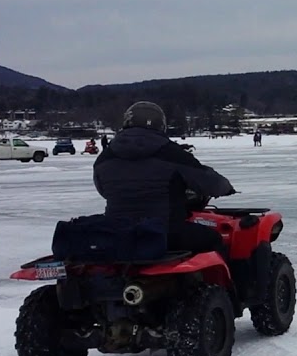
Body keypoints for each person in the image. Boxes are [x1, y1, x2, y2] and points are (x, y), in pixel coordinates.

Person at [94, 101, 235, 254]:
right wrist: (227, 188)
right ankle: (227, 278)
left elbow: (103, 190)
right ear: (161, 125)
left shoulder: (105, 157)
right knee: (214, 239)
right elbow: (211, 182)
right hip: (165, 232)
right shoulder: (171, 153)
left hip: (119, 234)